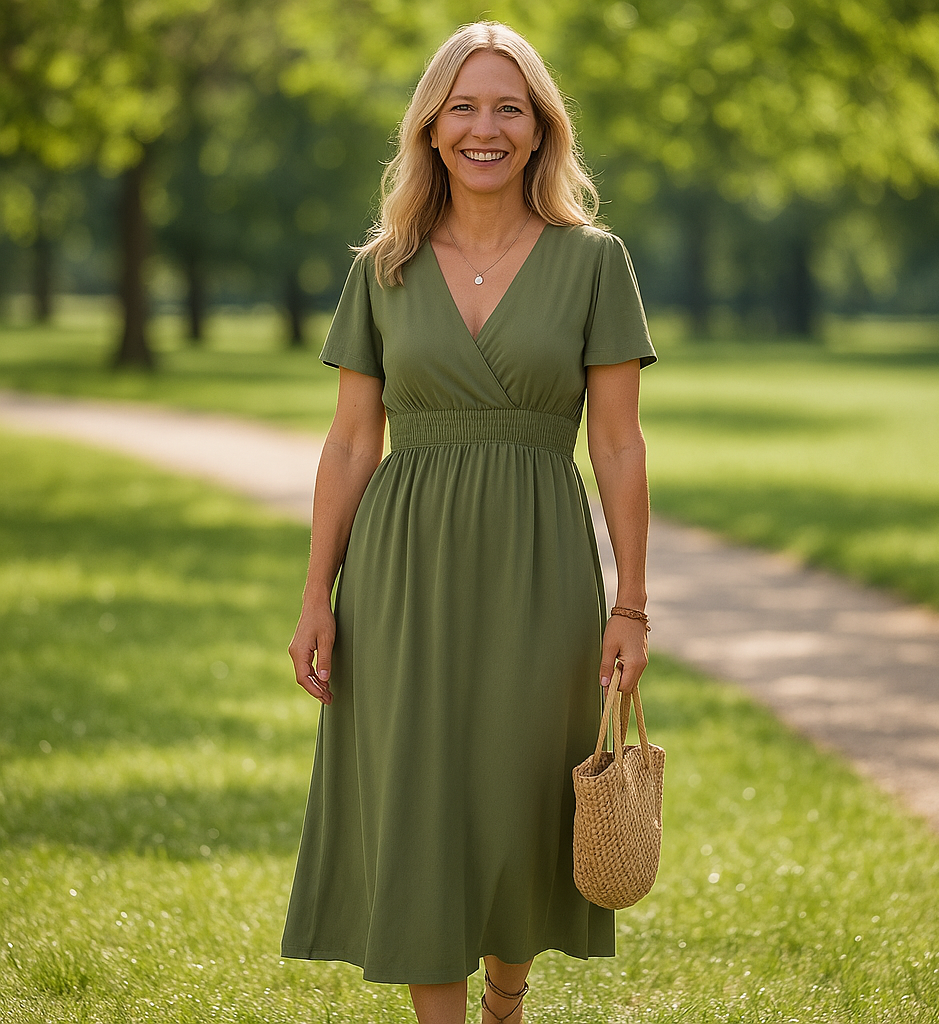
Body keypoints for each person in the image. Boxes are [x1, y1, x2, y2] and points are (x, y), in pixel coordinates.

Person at [282, 20, 656, 1024]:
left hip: (539, 567)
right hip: (399, 570)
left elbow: (617, 444)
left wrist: (633, 604)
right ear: (430, 129)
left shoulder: (593, 261)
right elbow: (352, 442)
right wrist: (317, 595)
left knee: (517, 798)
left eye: (508, 108)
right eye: (463, 107)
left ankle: (506, 994)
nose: (484, 128)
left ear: (539, 131)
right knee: (419, 799)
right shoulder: (384, 267)